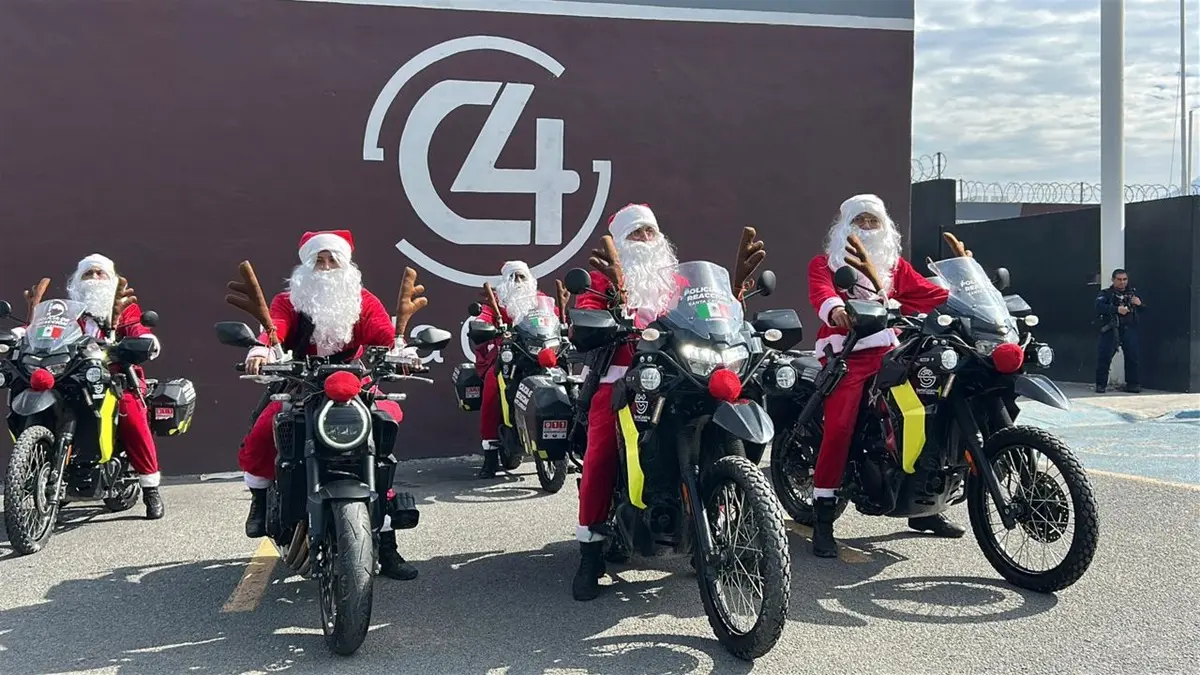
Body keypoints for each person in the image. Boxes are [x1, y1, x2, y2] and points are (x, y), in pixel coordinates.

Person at [238, 230, 419, 580]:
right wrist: (262, 349)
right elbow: (275, 327)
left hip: (355, 382)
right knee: (266, 429)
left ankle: (387, 544)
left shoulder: (363, 300)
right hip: (303, 382)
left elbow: (384, 332)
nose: (325, 267)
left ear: (346, 264)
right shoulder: (289, 300)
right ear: (306, 265)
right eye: (318, 260)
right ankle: (260, 501)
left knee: (383, 429)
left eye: (331, 259)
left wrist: (402, 353)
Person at [806, 194, 964, 559]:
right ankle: (824, 518)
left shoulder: (895, 268)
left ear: (884, 226)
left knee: (927, 412)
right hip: (849, 352)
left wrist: (962, 295)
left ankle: (927, 507)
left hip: (892, 353)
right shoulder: (825, 264)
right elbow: (822, 294)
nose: (866, 228)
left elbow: (930, 293)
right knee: (841, 426)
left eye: (872, 221)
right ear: (844, 226)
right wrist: (837, 311)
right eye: (859, 221)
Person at [571, 203, 684, 601]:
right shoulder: (603, 280)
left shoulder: (676, 281)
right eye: (636, 233)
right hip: (618, 378)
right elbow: (584, 312)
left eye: (649, 232)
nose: (644, 240)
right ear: (620, 240)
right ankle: (590, 552)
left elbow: (705, 309)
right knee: (601, 453)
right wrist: (603, 319)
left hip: (677, 378)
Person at [66, 254, 166, 519]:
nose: (95, 279)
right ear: (78, 279)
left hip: (115, 378)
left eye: (100, 273)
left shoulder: (125, 308)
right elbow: (44, 329)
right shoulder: (68, 310)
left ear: (111, 279)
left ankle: (150, 488)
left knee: (131, 417)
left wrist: (146, 341)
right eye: (89, 274)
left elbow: (139, 330)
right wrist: (23, 334)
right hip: (70, 377)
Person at [473, 260, 557, 479]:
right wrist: (485, 326)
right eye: (513, 277)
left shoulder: (540, 299)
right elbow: (484, 319)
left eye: (521, 276)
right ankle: (490, 453)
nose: (518, 281)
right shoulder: (497, 302)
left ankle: (566, 446)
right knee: (494, 383)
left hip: (539, 354)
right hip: (511, 356)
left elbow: (554, 318)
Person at [1094, 268, 1143, 393]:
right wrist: (1116, 309)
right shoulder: (1105, 294)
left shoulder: (1132, 294)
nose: (1122, 282)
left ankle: (1133, 384)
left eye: (1125, 279)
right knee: (1104, 357)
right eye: (1119, 279)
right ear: (1113, 280)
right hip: (1111, 328)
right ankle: (1100, 385)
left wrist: (1139, 304)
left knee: (1133, 357)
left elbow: (1144, 311)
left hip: (1129, 328)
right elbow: (1099, 307)